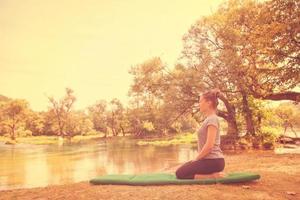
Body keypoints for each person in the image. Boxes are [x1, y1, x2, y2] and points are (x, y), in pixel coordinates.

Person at [175, 88, 225, 179]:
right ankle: (211, 174)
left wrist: (197, 158)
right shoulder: (209, 119)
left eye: (201, 101)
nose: (199, 104)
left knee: (180, 173)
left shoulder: (213, 119)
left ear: (209, 102)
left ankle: (212, 176)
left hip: (214, 161)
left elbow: (209, 146)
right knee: (183, 168)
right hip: (210, 160)